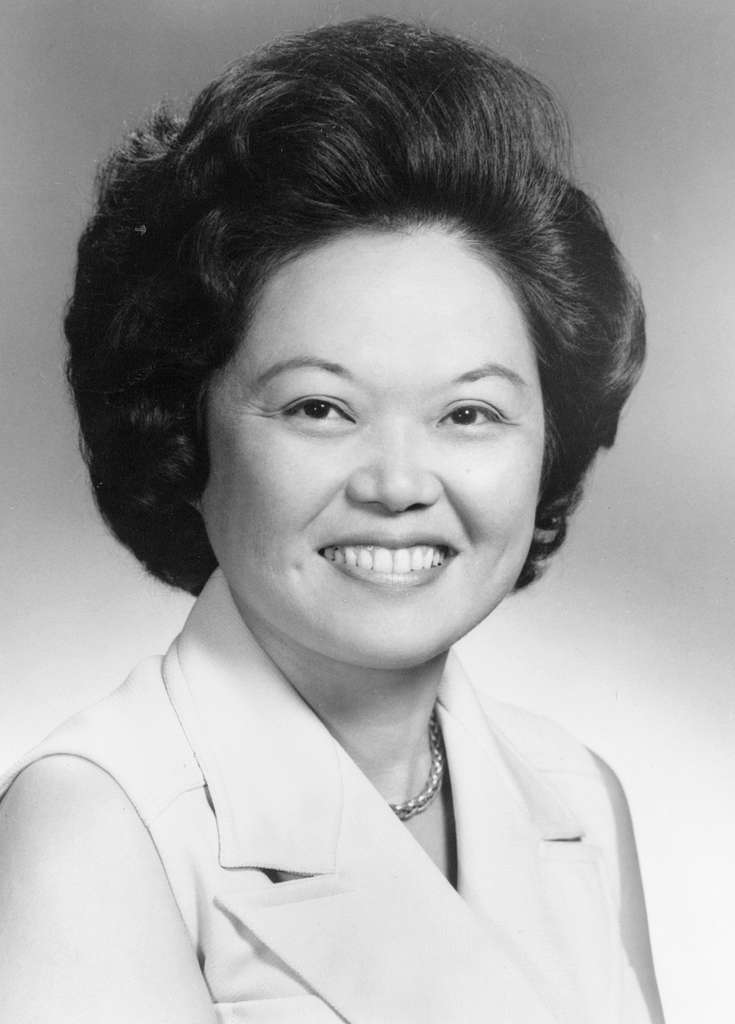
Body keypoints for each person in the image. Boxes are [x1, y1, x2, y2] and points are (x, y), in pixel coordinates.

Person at [0, 17, 664, 1024]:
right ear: (185, 425)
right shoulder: (99, 817)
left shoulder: (576, 795)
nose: (399, 483)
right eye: (320, 408)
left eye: (469, 413)